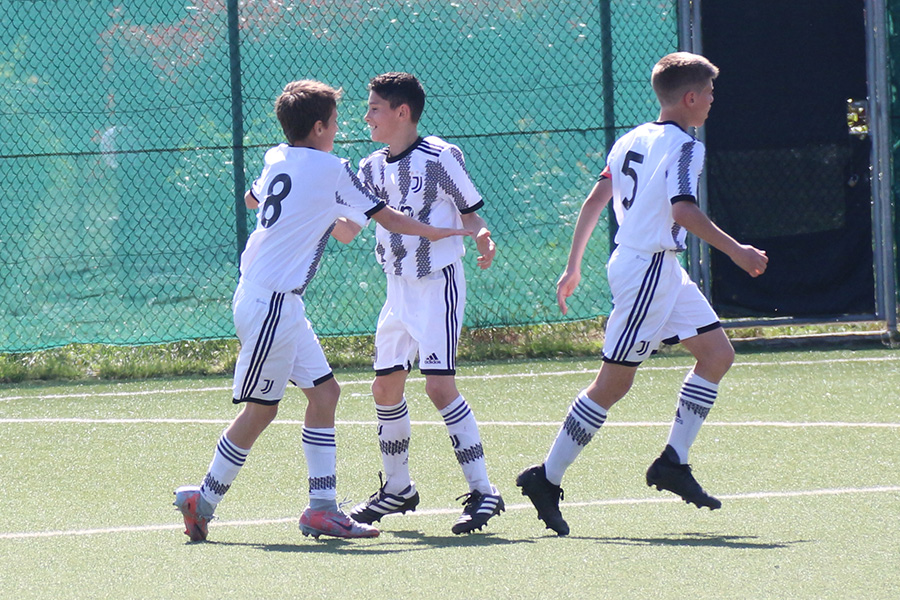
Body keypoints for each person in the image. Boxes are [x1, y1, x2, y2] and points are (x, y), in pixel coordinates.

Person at [173, 79, 470, 542]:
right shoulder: (333, 170)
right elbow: (388, 218)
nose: (339, 127)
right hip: (271, 305)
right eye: (333, 121)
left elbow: (253, 199)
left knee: (326, 394)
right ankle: (204, 499)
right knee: (261, 411)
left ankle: (322, 509)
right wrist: (440, 233)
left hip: (275, 301)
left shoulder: (277, 156)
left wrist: (311, 210)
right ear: (317, 128)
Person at [516, 52, 769, 536]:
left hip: (657, 267)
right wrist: (737, 250)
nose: (712, 100)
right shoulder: (686, 147)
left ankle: (674, 461)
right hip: (647, 270)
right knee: (613, 384)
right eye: (709, 92)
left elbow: (595, 200)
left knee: (716, 355)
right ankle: (546, 477)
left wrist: (573, 266)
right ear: (690, 98)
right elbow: (683, 211)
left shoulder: (631, 138)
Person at [346, 72, 503, 535]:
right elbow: (349, 225)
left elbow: (471, 214)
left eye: (374, 108)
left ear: (402, 112)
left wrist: (482, 235)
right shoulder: (370, 167)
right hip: (397, 288)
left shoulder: (440, 157)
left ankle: (484, 491)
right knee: (384, 389)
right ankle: (398, 488)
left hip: (437, 284)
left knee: (439, 387)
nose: (367, 116)